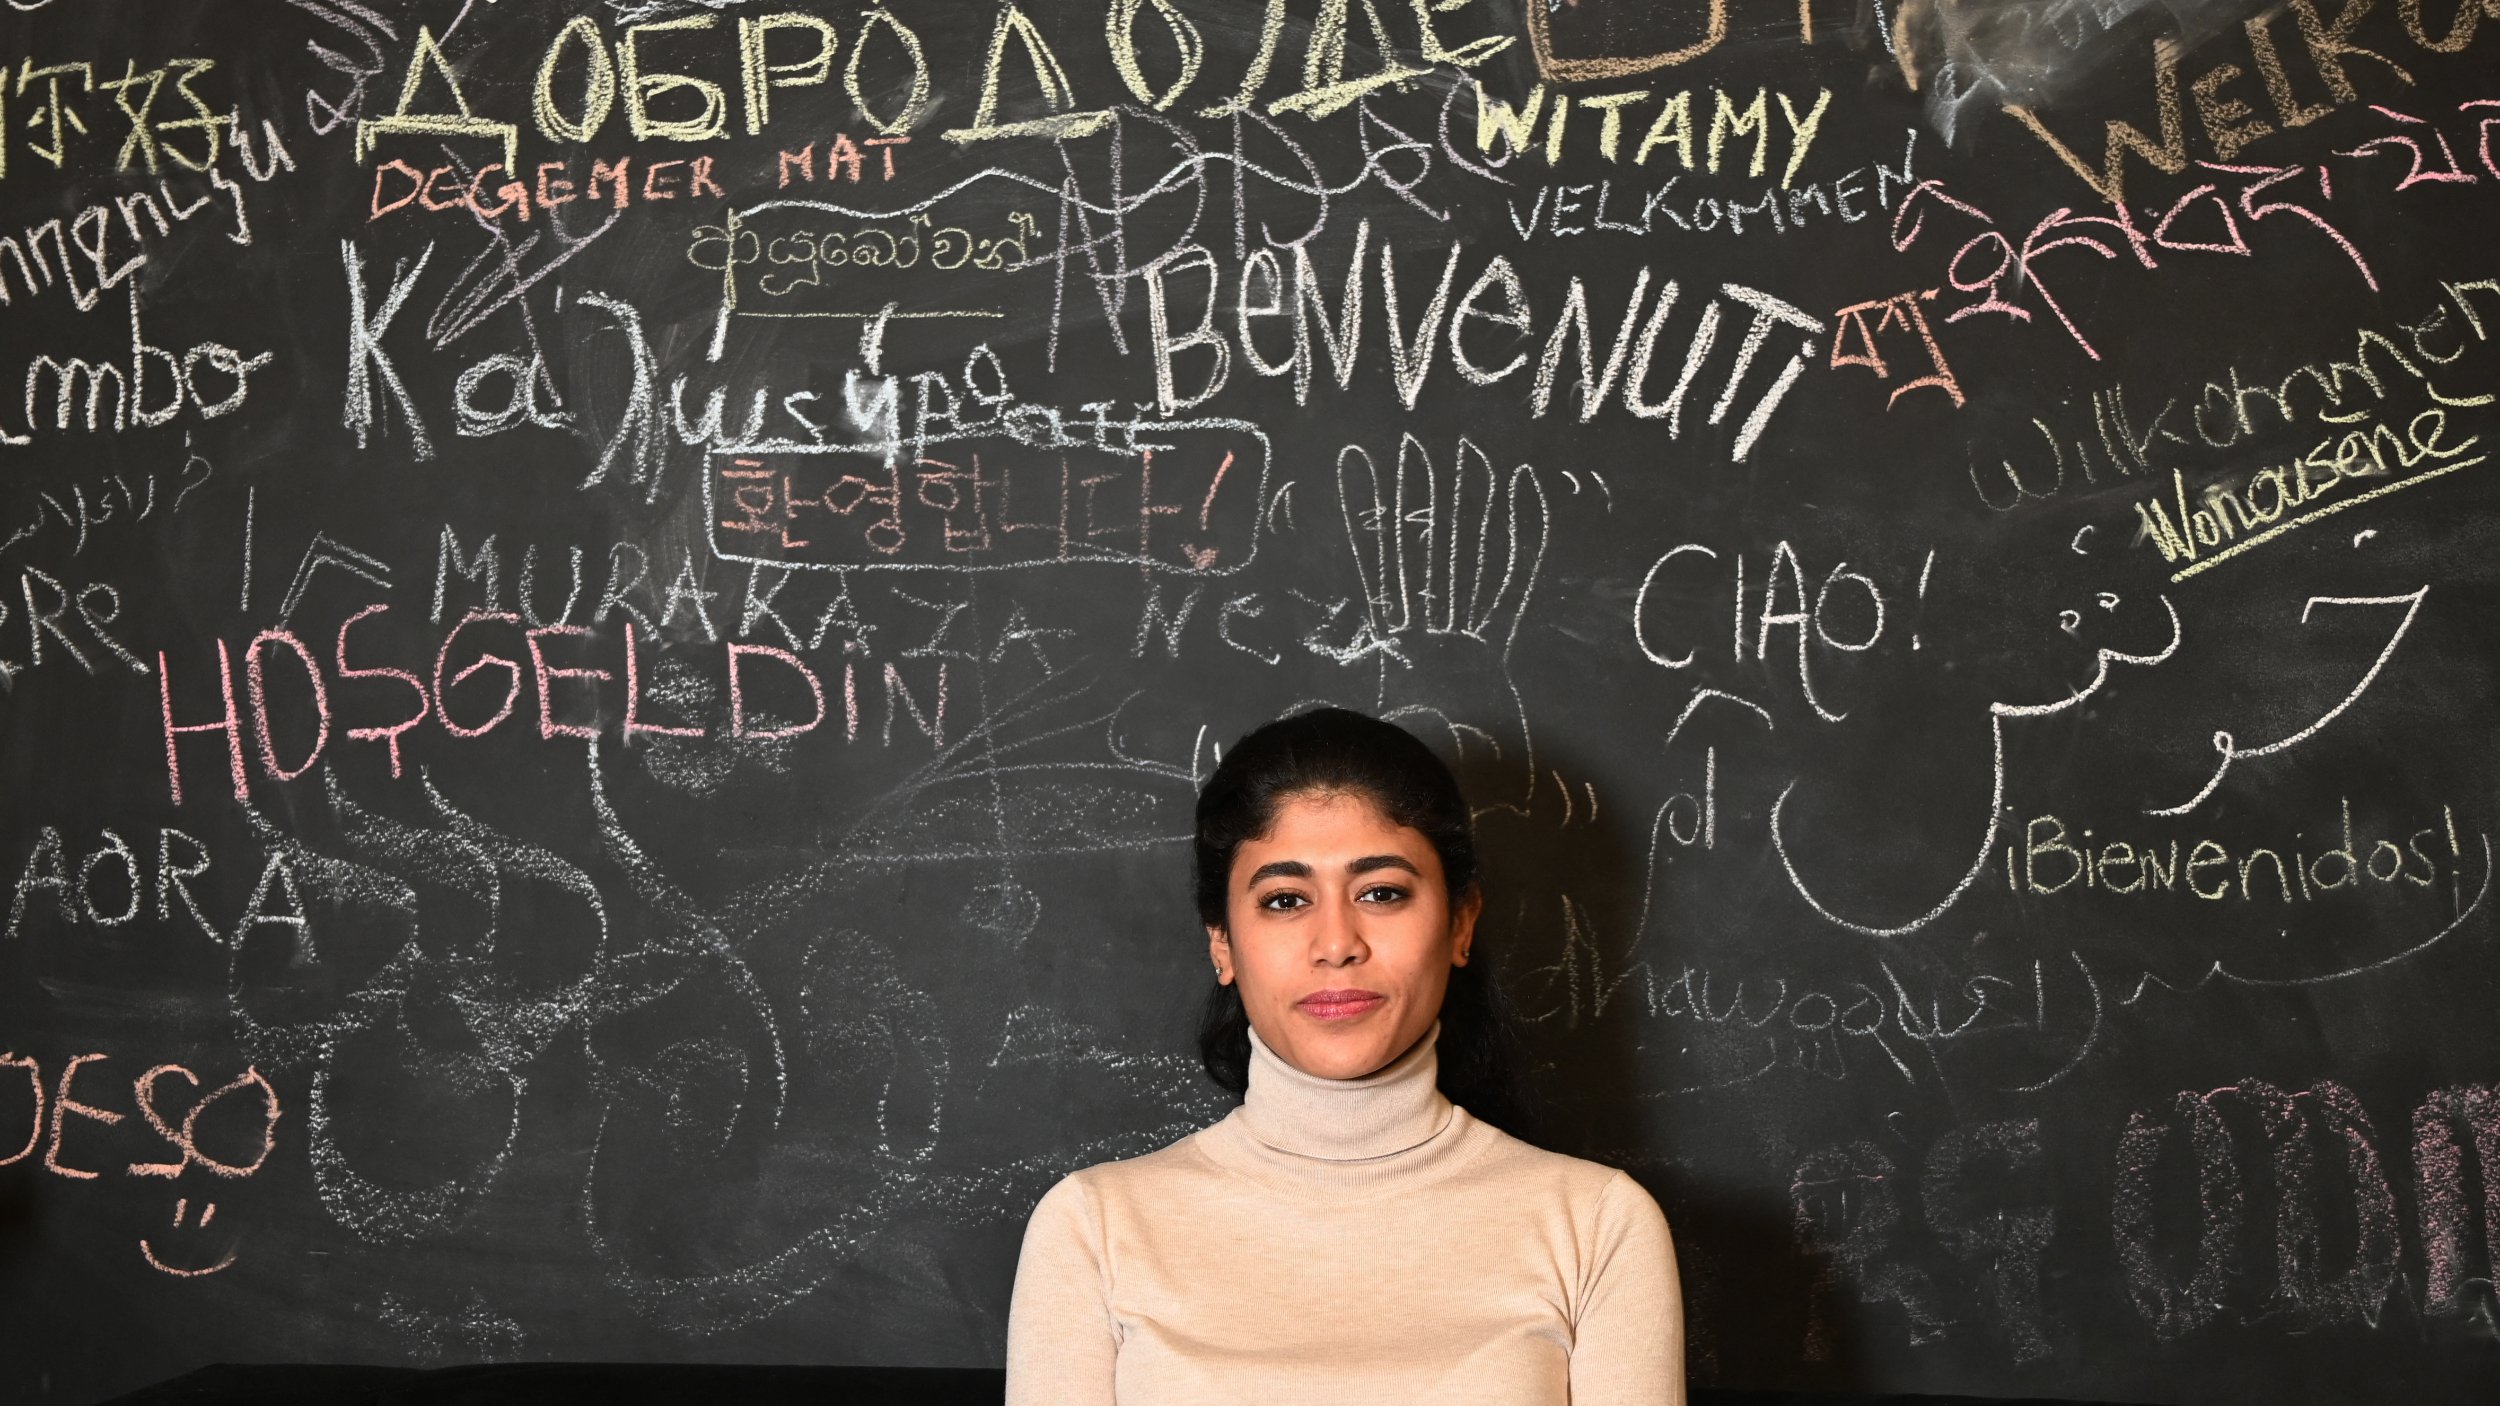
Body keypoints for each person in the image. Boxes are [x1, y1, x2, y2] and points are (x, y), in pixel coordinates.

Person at [1005, 707, 1684, 1404]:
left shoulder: (1596, 1226)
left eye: (1382, 893)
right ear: (1220, 942)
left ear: (1460, 923)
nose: (1336, 943)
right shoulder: (1094, 1229)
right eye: (1284, 900)